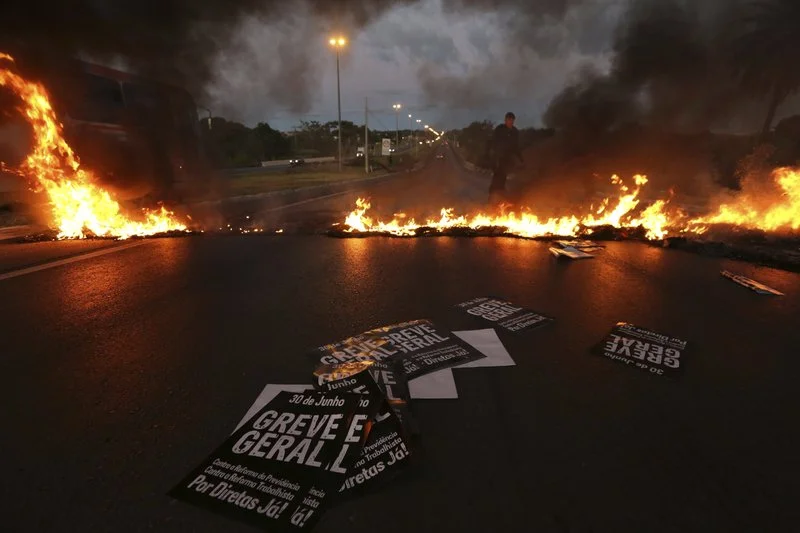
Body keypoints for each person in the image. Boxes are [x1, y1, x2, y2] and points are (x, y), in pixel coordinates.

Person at [486, 111, 523, 205]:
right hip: (498, 158)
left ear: (513, 121)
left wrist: (521, 159)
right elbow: (493, 142)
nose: (510, 122)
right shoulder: (500, 129)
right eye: (508, 120)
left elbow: (516, 147)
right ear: (505, 120)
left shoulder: (515, 132)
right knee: (497, 178)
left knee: (503, 178)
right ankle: (491, 199)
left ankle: (500, 200)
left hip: (508, 159)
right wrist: (493, 156)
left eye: (512, 120)